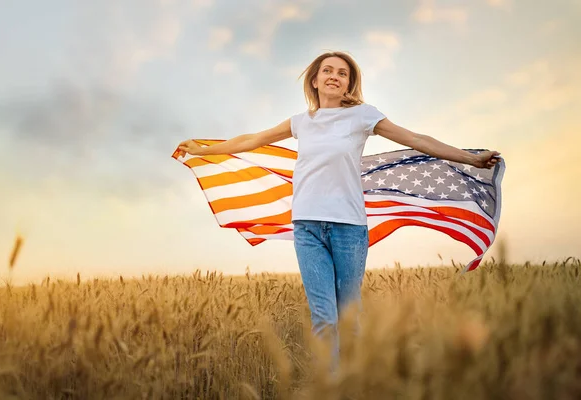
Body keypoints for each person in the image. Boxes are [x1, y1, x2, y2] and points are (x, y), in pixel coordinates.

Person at [177, 51, 500, 367]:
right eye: (328, 70)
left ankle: (353, 381)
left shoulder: (363, 116)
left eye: (342, 73)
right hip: (307, 227)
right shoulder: (301, 122)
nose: (334, 76)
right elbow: (253, 139)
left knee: (348, 314)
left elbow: (415, 138)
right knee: (323, 315)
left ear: (349, 84)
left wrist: (471, 158)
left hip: (348, 226)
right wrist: (208, 150)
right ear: (315, 80)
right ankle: (330, 386)